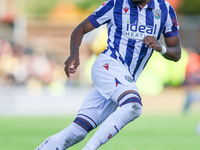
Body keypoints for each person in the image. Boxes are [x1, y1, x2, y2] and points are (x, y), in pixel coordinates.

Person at [35, 0, 181, 149]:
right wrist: (74, 53)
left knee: (77, 132)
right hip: (108, 66)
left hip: (124, 79)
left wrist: (161, 47)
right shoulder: (116, 4)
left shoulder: (165, 10)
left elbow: (176, 53)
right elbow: (80, 29)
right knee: (133, 105)